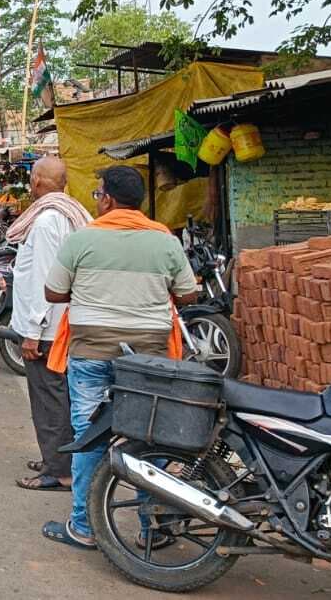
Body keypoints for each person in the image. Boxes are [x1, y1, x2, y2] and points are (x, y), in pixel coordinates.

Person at [41, 165, 196, 550]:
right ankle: (152, 528)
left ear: (107, 198)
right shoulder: (165, 240)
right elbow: (189, 295)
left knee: (89, 438)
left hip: (91, 352)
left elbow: (53, 293)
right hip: (150, 359)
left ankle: (85, 527)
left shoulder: (83, 239)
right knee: (152, 437)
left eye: (98, 194)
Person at [5, 157, 92, 493]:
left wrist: (33, 332)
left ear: (37, 181)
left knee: (49, 399)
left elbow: (43, 279)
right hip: (65, 325)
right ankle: (59, 459)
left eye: (31, 177)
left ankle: (60, 472)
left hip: (48, 329)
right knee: (62, 397)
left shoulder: (45, 223)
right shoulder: (71, 215)